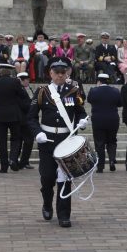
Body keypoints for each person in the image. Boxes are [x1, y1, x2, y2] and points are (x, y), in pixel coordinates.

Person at [28, 58, 88, 227]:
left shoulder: (73, 91)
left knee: (65, 177)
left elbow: (81, 112)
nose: (60, 75)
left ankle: (64, 214)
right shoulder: (42, 91)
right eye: (57, 72)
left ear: (67, 73)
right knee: (47, 177)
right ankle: (47, 202)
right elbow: (31, 117)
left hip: (66, 140)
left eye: (63, 72)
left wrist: (82, 122)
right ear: (51, 73)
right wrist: (37, 132)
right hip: (47, 140)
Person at [0, 63, 30, 173]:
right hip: (13, 115)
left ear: (1, 71)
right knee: (16, 139)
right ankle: (13, 159)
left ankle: (3, 167)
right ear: (10, 72)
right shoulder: (15, 82)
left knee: (1, 141)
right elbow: (22, 95)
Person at [88, 73, 122, 173]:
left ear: (99, 81)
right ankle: (111, 160)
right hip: (113, 119)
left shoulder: (93, 91)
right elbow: (120, 103)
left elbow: (90, 100)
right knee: (112, 141)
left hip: (98, 120)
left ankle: (100, 166)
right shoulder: (115, 91)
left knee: (99, 143)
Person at [17, 72, 35, 170]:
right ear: (22, 80)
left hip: (29, 118)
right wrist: (32, 103)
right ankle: (20, 161)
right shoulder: (19, 90)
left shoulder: (29, 89)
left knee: (28, 141)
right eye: (26, 79)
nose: (28, 81)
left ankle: (25, 161)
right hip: (22, 119)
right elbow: (24, 104)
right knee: (23, 141)